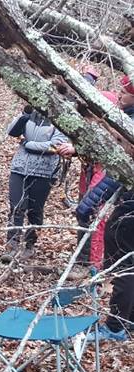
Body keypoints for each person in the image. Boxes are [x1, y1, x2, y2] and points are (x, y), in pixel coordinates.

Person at [73, 75, 134, 340]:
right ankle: (127, 322)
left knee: (125, 264)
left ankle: (115, 327)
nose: (120, 94)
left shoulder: (129, 124)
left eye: (126, 90)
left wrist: (87, 205)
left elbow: (116, 171)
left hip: (130, 206)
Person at [1, 105, 76, 261]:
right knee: (16, 207)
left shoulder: (60, 118)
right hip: (19, 168)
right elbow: (12, 131)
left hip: (44, 172)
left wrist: (27, 144)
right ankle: (12, 246)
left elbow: (55, 146)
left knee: (35, 210)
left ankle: (30, 245)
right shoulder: (30, 115)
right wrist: (24, 114)